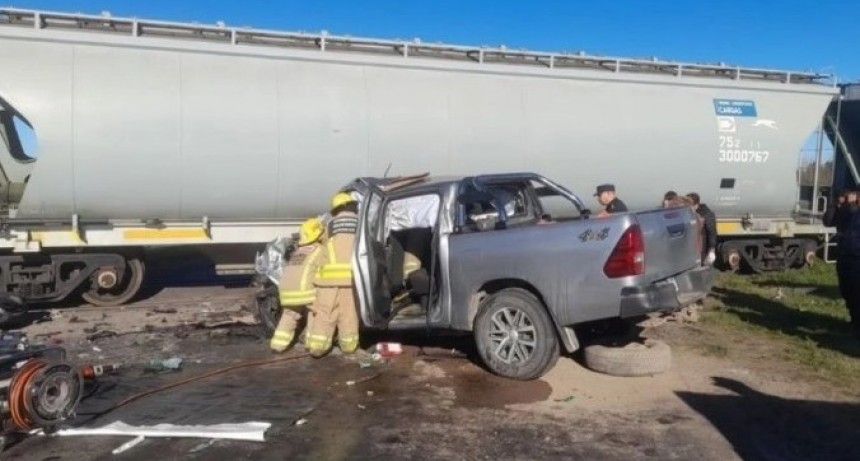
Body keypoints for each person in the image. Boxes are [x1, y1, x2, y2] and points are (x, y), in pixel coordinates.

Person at [305, 192, 361, 357]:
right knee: (349, 315)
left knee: (324, 314)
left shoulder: (328, 225)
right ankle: (348, 346)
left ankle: (317, 347)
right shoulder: (362, 223)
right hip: (352, 280)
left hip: (327, 281)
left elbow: (319, 248)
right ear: (353, 206)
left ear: (335, 209)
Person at [270, 217, 326, 353]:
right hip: (304, 290)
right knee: (315, 312)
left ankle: (277, 345)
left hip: (286, 291)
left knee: (289, 314)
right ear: (318, 234)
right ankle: (311, 344)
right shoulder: (321, 250)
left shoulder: (299, 251)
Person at [830, 189, 860, 338]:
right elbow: (828, 221)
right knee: (847, 290)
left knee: (857, 292)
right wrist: (836, 205)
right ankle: (854, 320)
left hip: (857, 258)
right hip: (845, 256)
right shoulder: (848, 211)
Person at [663, 194, 705, 263]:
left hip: (685, 256)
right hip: (693, 255)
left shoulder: (687, 220)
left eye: (675, 206)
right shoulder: (694, 217)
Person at [686, 192, 717, 266]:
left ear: (696, 205)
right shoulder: (687, 212)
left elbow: (712, 233)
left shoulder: (707, 214)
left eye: (689, 206)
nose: (687, 208)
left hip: (700, 249)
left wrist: (712, 250)